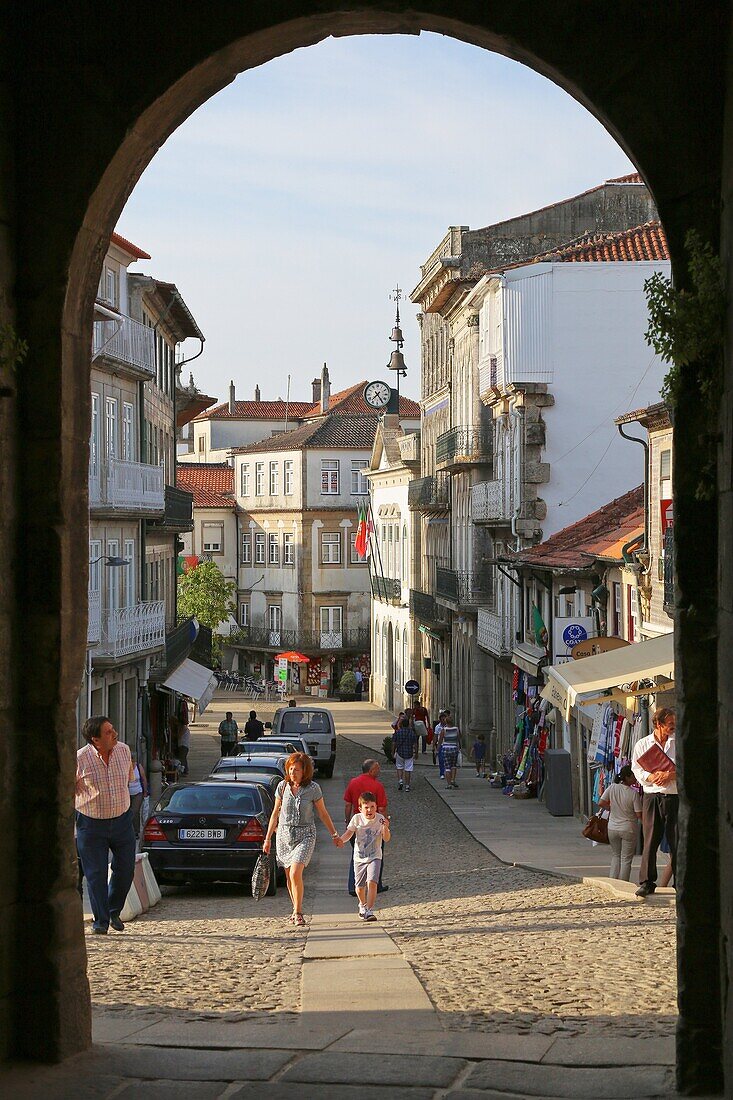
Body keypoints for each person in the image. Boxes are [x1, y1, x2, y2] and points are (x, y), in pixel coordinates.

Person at [263, 751, 340, 926]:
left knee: (296, 872)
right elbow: (275, 813)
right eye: (291, 769)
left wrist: (334, 835)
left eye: (296, 770)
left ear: (305, 771)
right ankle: (294, 908)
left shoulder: (313, 789)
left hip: (305, 834)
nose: (293, 773)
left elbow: (322, 813)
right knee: (290, 877)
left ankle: (298, 912)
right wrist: (268, 839)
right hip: (284, 835)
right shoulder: (282, 786)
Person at [75, 716, 137, 935]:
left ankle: (113, 910)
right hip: (91, 824)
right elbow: (68, 789)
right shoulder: (80, 759)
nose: (115, 733)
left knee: (126, 869)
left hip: (121, 821)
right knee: (96, 874)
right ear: (96, 739)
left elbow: (128, 781)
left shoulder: (124, 751)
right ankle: (100, 921)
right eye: (109, 732)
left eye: (113, 729)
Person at [631, 706, 678, 898]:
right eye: (670, 724)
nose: (673, 727)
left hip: (674, 796)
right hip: (652, 796)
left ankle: (681, 881)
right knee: (650, 839)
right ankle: (647, 881)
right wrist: (652, 777)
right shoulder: (643, 744)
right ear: (658, 724)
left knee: (678, 840)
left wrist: (670, 775)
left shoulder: (679, 743)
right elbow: (636, 769)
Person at [339, 792, 390, 921]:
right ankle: (362, 904)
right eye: (366, 807)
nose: (370, 810)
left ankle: (369, 910)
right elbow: (349, 833)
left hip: (375, 856)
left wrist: (385, 828)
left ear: (376, 807)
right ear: (360, 808)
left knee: (372, 882)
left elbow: (387, 838)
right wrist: (340, 840)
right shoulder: (356, 819)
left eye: (372, 807)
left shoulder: (380, 819)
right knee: (359, 886)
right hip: (359, 857)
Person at [343, 759, 389, 896]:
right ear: (371, 770)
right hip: (374, 825)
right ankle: (376, 884)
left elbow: (348, 804)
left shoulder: (353, 783)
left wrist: (347, 821)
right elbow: (381, 807)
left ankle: (353, 886)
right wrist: (384, 823)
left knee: (356, 855)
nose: (379, 771)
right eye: (377, 768)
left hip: (357, 824)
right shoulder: (377, 786)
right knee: (377, 854)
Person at [598, 764, 643, 881]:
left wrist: (611, 808)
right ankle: (623, 883)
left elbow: (601, 802)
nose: (635, 778)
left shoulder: (612, 787)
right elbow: (639, 814)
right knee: (626, 859)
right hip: (628, 827)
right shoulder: (633, 794)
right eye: (633, 776)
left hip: (612, 827)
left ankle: (613, 880)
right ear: (627, 777)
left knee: (616, 856)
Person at [392, 716, 417, 792]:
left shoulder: (398, 732)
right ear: (408, 725)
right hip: (409, 752)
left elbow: (393, 743)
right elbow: (415, 744)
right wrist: (416, 752)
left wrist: (392, 751)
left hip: (400, 752)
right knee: (408, 769)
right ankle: (407, 786)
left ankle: (400, 781)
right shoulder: (412, 733)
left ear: (402, 725)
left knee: (399, 767)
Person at [128, 752, 149, 840]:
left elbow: (143, 779)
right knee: (129, 812)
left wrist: (145, 791)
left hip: (138, 792)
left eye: (133, 761)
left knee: (135, 811)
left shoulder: (139, 767)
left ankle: (134, 831)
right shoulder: (125, 768)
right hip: (127, 793)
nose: (132, 763)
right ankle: (132, 831)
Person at [438, 712, 461, 788]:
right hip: (454, 748)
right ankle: (453, 780)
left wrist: (438, 749)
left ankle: (449, 784)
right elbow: (458, 739)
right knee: (453, 765)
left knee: (447, 767)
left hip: (446, 749)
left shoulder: (443, 730)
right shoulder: (456, 729)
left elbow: (440, 740)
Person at [434, 710, 447, 775]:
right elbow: (435, 736)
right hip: (441, 745)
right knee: (441, 760)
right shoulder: (437, 727)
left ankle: (447, 772)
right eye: (442, 719)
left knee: (446, 760)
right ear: (440, 720)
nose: (444, 721)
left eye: (444, 719)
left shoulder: (448, 727)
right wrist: (434, 746)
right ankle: (442, 773)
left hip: (447, 745)